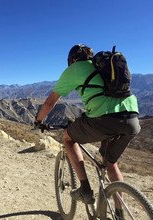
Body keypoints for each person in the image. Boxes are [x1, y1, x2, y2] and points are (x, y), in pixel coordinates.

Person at [34, 44, 140, 206]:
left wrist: (38, 121)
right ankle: (120, 213)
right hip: (132, 118)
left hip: (104, 119)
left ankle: (85, 190)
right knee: (110, 163)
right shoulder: (102, 67)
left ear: (72, 60)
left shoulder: (75, 69)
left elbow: (50, 102)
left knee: (68, 138)